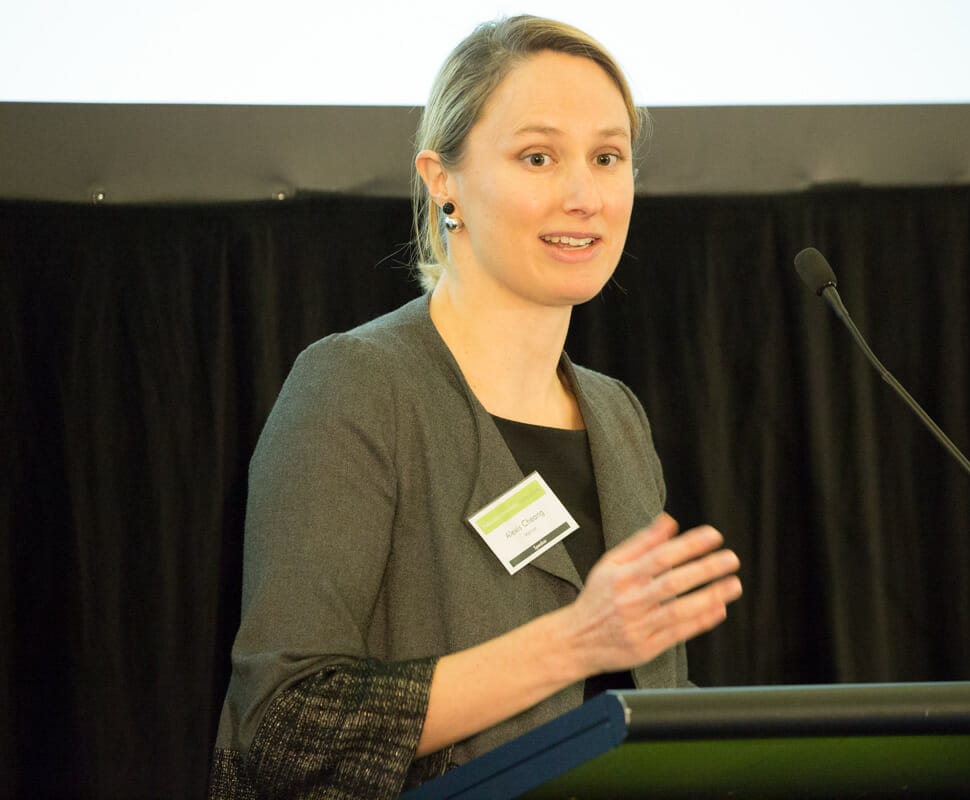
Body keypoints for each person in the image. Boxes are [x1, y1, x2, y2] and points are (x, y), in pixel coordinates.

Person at [208, 15, 742, 798]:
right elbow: (285, 727)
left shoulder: (617, 416)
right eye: (538, 157)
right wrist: (573, 643)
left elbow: (632, 705)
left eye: (607, 158)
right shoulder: (356, 386)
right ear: (443, 181)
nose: (584, 196)